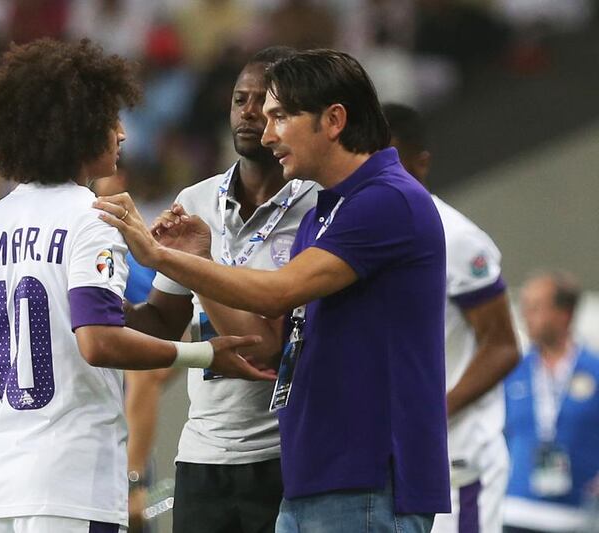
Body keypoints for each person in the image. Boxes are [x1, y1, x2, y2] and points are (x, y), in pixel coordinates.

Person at [95, 49, 451, 532]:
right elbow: (267, 345)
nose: (264, 134)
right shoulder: (330, 211)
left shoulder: (386, 200)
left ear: (333, 119)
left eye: (279, 116)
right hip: (311, 475)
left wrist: (161, 257)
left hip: (366, 475)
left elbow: (278, 291)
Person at [0, 38, 272, 533]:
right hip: (74, 480)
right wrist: (206, 355)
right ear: (76, 129)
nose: (121, 133)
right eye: (110, 120)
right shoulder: (92, 220)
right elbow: (98, 340)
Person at [122, 45, 320, 533]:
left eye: (264, 102)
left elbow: (268, 349)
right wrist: (90, 300)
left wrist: (196, 263)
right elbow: (162, 322)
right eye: (239, 100)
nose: (248, 113)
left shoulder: (318, 203)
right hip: (203, 455)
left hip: (285, 451)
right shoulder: (195, 199)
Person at [383, 103, 520, 533]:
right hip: (390, 459)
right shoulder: (362, 235)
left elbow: (503, 345)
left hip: (455, 461)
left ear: (420, 164)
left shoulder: (456, 238)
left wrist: (430, 414)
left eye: (391, 160)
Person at [503, 272, 599, 533]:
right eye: (524, 307)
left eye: (535, 308)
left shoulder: (594, 370)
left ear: (564, 314)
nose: (526, 316)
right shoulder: (512, 370)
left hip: (575, 515)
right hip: (514, 511)